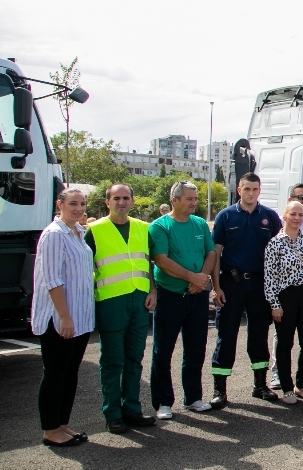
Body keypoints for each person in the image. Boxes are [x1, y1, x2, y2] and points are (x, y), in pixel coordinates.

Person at [86, 184, 157, 434]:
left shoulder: (143, 228)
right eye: (116, 198)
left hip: (138, 300)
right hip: (111, 301)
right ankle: (113, 413)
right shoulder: (94, 231)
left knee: (134, 359)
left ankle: (132, 409)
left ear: (133, 201)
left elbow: (149, 263)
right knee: (112, 360)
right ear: (107, 203)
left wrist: (153, 290)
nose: (122, 202)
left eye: (126, 198)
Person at [210, 172, 282, 408]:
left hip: (260, 284)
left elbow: (278, 253)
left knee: (258, 335)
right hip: (231, 284)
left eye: (255, 189)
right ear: (239, 190)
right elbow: (215, 255)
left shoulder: (270, 217)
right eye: (246, 189)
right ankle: (220, 390)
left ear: (260, 191)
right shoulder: (226, 216)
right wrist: (216, 287)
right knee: (226, 335)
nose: (250, 193)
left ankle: (260, 385)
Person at [149, 181, 218, 418]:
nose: (193, 203)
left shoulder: (199, 223)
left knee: (196, 349)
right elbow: (161, 259)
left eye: (195, 198)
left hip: (198, 297)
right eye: (189, 199)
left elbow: (211, 252)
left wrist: (202, 279)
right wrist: (194, 278)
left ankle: (193, 397)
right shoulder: (160, 226)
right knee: (163, 350)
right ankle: (163, 402)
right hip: (171, 296)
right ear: (174, 200)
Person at [33, 187, 94, 447]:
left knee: (70, 373)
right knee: (56, 373)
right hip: (60, 318)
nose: (78, 208)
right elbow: (53, 280)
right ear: (60, 204)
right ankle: (50, 430)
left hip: (79, 317)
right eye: (72, 203)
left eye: (82, 204)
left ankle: (62, 424)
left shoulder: (78, 233)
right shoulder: (54, 235)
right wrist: (64, 316)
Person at [264, 201, 303, 404]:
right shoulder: (275, 243)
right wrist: (274, 304)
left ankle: (302, 385)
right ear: (284, 216)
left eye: (301, 214)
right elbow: (269, 277)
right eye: (293, 214)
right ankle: (286, 388)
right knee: (285, 343)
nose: (297, 218)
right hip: (286, 296)